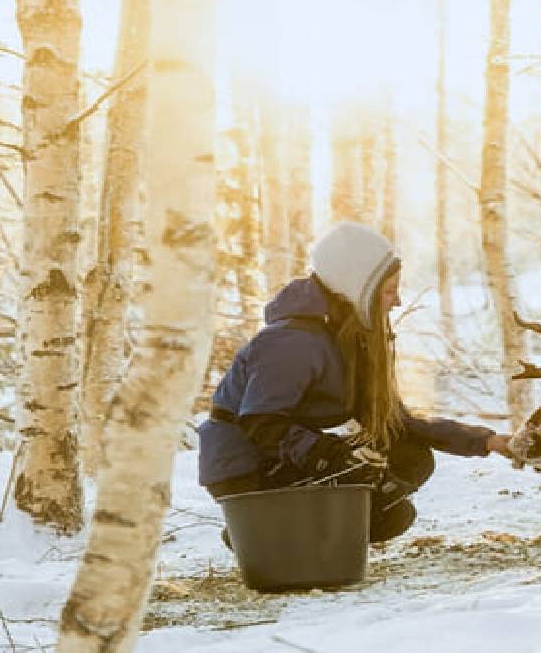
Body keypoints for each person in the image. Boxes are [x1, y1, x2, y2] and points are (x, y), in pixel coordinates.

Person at [197, 222, 513, 543]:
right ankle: (262, 531)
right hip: (245, 467)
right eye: (389, 290)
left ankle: (285, 532)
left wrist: (486, 441)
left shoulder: (345, 337)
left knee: (404, 467)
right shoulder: (292, 341)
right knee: (374, 494)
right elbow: (262, 422)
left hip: (278, 456)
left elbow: (395, 421)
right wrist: (332, 455)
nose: (398, 301)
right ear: (358, 287)